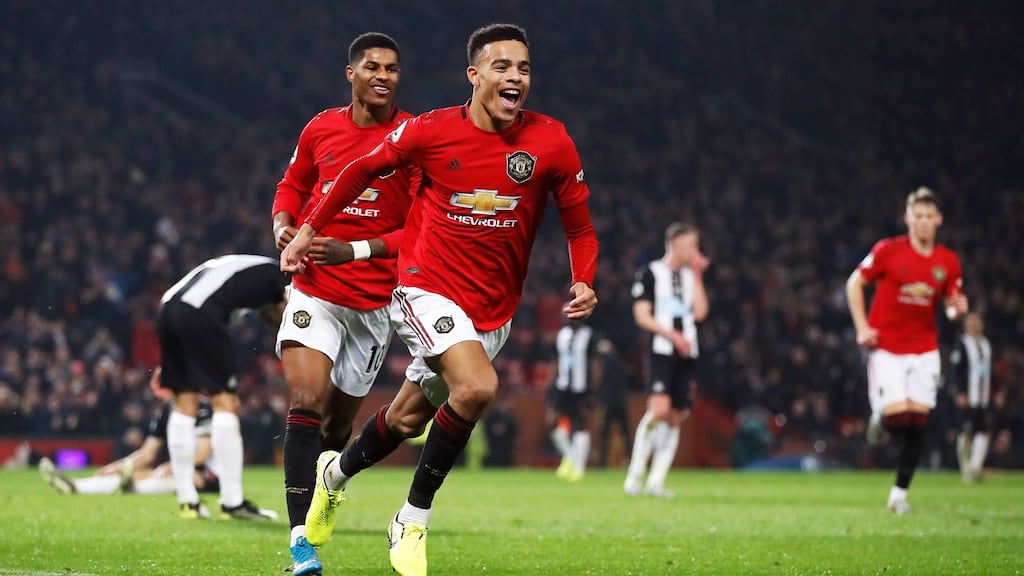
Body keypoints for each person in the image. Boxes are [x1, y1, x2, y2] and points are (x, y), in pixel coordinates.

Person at [282, 23, 599, 576]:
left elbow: (580, 228)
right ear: (474, 76)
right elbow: (358, 171)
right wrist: (309, 229)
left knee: (406, 418)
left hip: (493, 308)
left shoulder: (551, 141)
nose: (515, 78)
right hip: (424, 285)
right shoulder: (429, 131)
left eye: (523, 68)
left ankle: (333, 477)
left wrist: (584, 279)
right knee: (477, 388)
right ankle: (411, 518)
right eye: (502, 67)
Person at [270, 32, 419, 576]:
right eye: (373, 66)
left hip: (375, 305)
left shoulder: (414, 139)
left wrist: (356, 249)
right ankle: (299, 545)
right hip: (315, 291)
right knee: (306, 398)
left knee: (335, 432)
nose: (384, 75)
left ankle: (329, 488)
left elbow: (424, 230)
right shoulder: (320, 128)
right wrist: (285, 225)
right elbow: (291, 186)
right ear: (350, 73)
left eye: (394, 69)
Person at [846, 187, 968, 514]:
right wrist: (862, 327)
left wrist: (958, 309)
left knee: (919, 420)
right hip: (887, 347)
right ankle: (881, 417)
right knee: (901, 416)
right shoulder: (888, 251)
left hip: (925, 348)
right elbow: (854, 283)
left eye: (930, 217)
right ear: (907, 218)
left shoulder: (948, 261)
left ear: (938, 220)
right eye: (918, 216)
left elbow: (952, 309)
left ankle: (899, 494)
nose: (924, 222)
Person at [160, 254, 289, 520]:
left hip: (168, 308)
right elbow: (284, 312)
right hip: (200, 313)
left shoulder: (244, 267)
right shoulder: (281, 277)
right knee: (225, 403)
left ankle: (188, 501)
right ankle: (232, 502)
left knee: (185, 404)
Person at [624, 222, 709, 498]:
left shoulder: (688, 276)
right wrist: (672, 335)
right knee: (659, 411)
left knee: (674, 417)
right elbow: (642, 316)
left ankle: (656, 482)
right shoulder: (650, 273)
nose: (695, 251)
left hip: (688, 352)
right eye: (691, 246)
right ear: (675, 244)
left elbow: (699, 313)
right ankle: (635, 476)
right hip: (662, 349)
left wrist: (697, 274)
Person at [549, 317, 598, 481]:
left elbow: (596, 364)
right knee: (551, 422)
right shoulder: (562, 334)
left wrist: (592, 390)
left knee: (580, 425)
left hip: (581, 388)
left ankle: (579, 467)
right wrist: (552, 385)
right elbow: (556, 361)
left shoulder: (590, 336)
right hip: (562, 386)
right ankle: (570, 457)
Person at [950, 311, 993, 484]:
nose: (976, 325)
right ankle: (966, 469)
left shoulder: (986, 344)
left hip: (983, 397)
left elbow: (990, 371)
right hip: (969, 396)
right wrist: (960, 392)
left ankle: (976, 467)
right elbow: (955, 370)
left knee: (984, 432)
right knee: (966, 433)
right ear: (966, 325)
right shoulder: (962, 344)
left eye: (978, 322)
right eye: (972, 322)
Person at [594, 337, 632, 468]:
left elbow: (598, 381)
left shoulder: (602, 364)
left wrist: (597, 397)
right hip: (620, 401)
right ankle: (630, 460)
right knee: (625, 432)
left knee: (605, 433)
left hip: (608, 402)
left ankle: (602, 462)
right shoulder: (620, 363)